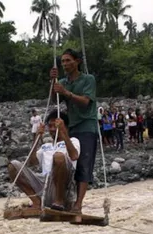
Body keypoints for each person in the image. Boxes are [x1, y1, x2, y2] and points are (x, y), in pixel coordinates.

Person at [50, 49, 98, 215]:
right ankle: (64, 200)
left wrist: (66, 93)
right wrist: (53, 81)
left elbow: (85, 102)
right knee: (70, 161)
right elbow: (52, 99)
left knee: (84, 163)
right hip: (72, 127)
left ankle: (78, 204)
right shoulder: (63, 81)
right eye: (63, 61)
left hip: (87, 125)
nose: (65, 64)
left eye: (68, 60)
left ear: (77, 61)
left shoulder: (88, 79)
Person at [8, 111, 80, 212]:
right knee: (13, 166)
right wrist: (37, 138)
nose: (52, 129)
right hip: (45, 184)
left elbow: (74, 155)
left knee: (58, 157)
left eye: (55, 126)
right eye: (50, 126)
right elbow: (32, 162)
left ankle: (59, 201)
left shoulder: (73, 141)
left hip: (64, 186)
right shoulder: (46, 146)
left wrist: (63, 133)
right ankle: (37, 202)